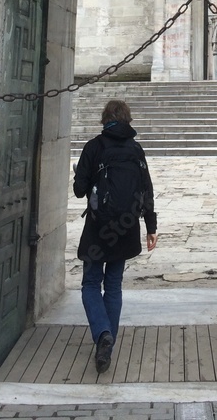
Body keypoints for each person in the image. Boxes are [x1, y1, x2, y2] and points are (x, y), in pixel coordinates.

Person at [73, 98, 158, 373]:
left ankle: (102, 334)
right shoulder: (135, 149)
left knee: (90, 284)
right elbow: (146, 189)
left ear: (104, 118)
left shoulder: (94, 147)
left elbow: (78, 189)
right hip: (125, 227)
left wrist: (80, 174)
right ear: (127, 119)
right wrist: (151, 227)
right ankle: (106, 342)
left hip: (99, 228)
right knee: (113, 285)